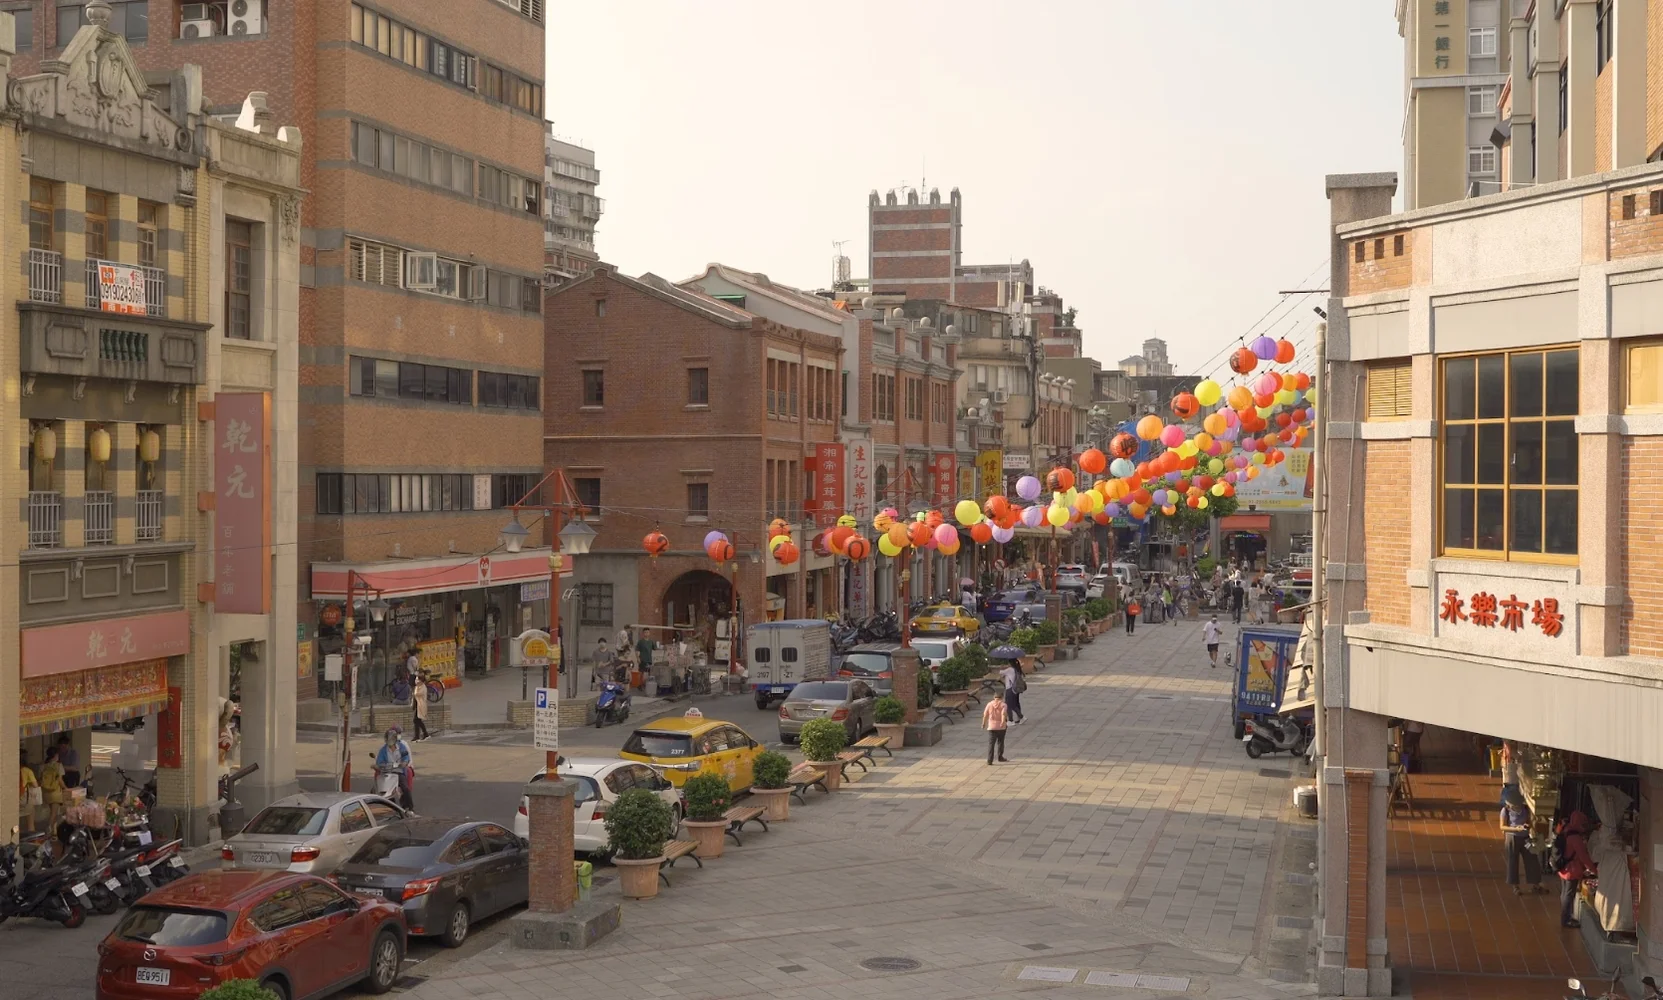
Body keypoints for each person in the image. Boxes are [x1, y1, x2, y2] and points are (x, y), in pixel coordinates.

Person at [1556, 811, 1596, 928]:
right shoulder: (1576, 838)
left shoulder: (1566, 829)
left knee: (1564, 894)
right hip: (1571, 871)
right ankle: (1566, 919)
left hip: (1563, 868)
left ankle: (1565, 916)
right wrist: (1594, 870)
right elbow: (1584, 857)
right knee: (1569, 895)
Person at [1500, 789, 1543, 895]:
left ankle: (1535, 884)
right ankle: (1515, 886)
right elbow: (1502, 827)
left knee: (1532, 858)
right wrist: (1515, 829)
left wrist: (1528, 826)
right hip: (1512, 838)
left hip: (1525, 838)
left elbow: (1529, 821)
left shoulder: (1525, 809)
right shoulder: (1505, 811)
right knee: (1513, 861)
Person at [375, 728, 414, 810]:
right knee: (383, 789)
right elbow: (379, 762)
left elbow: (406, 757)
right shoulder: (383, 750)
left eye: (391, 738)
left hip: (399, 772)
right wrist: (380, 766)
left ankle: (409, 807)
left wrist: (404, 762)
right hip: (387, 772)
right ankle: (391, 808)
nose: (389, 741)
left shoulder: (401, 747)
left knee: (405, 788)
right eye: (388, 739)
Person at [39, 745, 66, 829]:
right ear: (55, 756)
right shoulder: (58, 766)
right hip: (55, 793)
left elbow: (40, 779)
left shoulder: (42, 766)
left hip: (46, 792)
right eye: (57, 755)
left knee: (52, 812)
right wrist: (65, 788)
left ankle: (53, 832)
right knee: (54, 813)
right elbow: (60, 780)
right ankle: (48, 829)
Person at [982, 689, 1011, 765]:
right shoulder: (1003, 705)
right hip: (1001, 727)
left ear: (994, 697)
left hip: (991, 727)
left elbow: (985, 715)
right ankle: (1000, 756)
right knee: (1000, 742)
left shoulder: (989, 704)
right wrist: (1002, 722)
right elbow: (1003, 714)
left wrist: (983, 723)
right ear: (1002, 697)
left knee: (991, 744)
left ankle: (989, 760)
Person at [17, 750, 39, 834]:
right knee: (31, 815)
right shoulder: (27, 770)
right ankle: (31, 837)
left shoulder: (12, 768)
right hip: (24, 798)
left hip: (13, 798)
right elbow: (35, 785)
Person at [1000, 659, 1026, 725]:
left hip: (1010, 689)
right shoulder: (1017, 669)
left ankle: (1011, 720)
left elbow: (1000, 672)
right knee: (1013, 704)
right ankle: (1021, 717)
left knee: (1008, 705)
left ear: (1010, 663)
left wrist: (1002, 667)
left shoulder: (1010, 669)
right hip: (1015, 689)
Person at [411, 671, 431, 741]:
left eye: (417, 679)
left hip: (421, 706)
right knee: (417, 720)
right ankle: (422, 735)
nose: (416, 680)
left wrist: (414, 691)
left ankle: (421, 735)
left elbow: (416, 694)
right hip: (417, 705)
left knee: (416, 720)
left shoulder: (423, 687)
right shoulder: (418, 686)